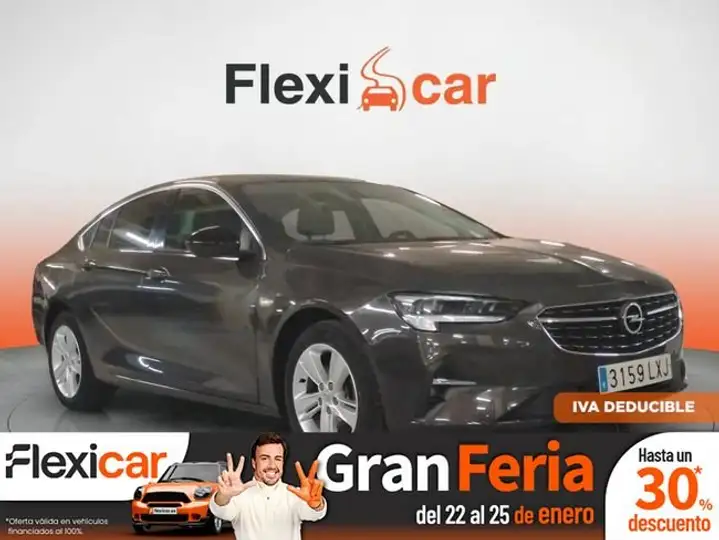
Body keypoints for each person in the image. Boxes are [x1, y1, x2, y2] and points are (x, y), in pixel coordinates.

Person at [209, 432, 327, 540]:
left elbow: (314, 514)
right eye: (265, 458)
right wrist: (224, 496)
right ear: (254, 463)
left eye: (278, 459)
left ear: (283, 462)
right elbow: (220, 511)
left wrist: (317, 505)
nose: (272, 465)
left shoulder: (295, 494)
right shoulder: (239, 496)